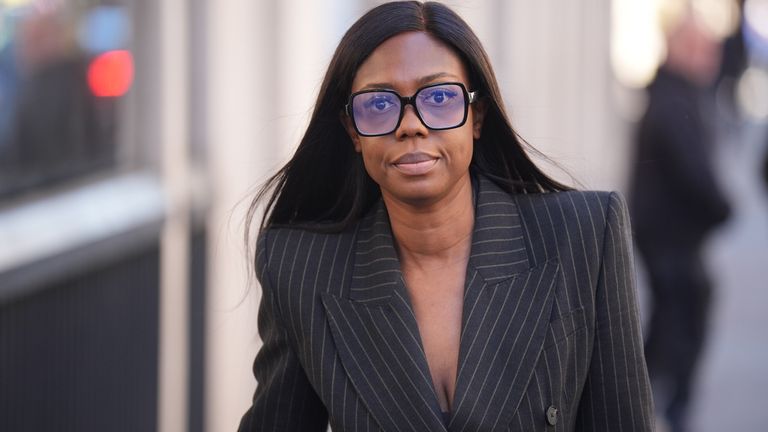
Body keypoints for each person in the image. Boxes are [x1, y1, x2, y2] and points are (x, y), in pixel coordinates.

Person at [240, 2, 653, 431]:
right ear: (352, 131)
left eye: (438, 97)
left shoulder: (584, 235)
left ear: (476, 114)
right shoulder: (301, 270)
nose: (411, 125)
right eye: (379, 103)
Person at [629, 10, 730, 432]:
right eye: (702, 50)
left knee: (674, 320)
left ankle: (649, 405)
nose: (711, 59)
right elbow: (695, 173)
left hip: (670, 234)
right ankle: (655, 409)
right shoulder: (673, 101)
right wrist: (724, 210)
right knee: (677, 325)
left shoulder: (676, 95)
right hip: (669, 236)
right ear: (682, 51)